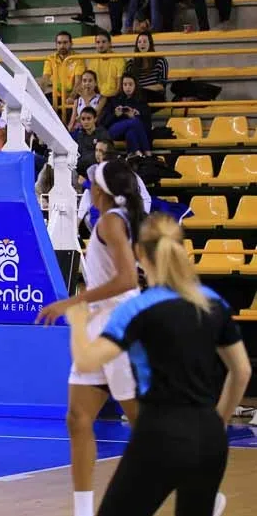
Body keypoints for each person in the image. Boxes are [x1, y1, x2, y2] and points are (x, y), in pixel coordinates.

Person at [66, 213, 249, 516]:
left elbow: (86, 362)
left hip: (161, 434)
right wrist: (220, 419)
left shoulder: (138, 308)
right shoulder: (212, 301)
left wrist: (77, 322)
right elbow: (241, 371)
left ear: (139, 253)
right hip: (210, 438)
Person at [36, 159, 144, 516]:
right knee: (78, 418)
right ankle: (83, 511)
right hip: (102, 325)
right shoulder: (116, 220)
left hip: (120, 325)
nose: (87, 190)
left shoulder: (112, 221)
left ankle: (199, 492)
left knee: (145, 427)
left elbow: (128, 280)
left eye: (90, 184)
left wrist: (73, 299)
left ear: (102, 190)